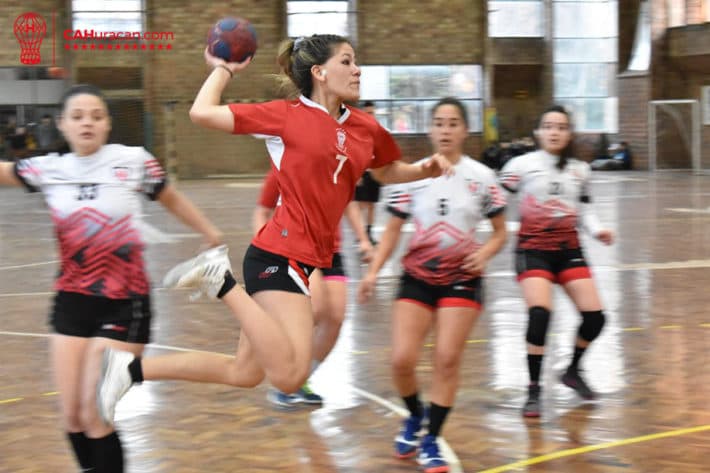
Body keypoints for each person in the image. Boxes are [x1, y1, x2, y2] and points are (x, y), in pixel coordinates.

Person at [95, 34, 453, 428]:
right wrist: (223, 69)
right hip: (279, 256)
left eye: (356, 62)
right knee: (289, 375)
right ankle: (220, 280)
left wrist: (423, 170)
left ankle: (129, 369)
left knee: (244, 373)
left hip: (301, 262)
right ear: (319, 72)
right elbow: (202, 112)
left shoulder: (365, 127)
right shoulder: (285, 115)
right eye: (347, 62)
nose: (357, 69)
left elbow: (385, 170)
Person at [0, 84, 223, 472]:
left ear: (107, 125)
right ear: (63, 125)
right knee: (72, 416)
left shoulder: (132, 161)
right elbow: (4, 172)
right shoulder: (48, 168)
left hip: (126, 301)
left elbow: (169, 196)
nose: (87, 122)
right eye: (78, 116)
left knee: (95, 412)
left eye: (96, 116)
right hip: (71, 301)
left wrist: (208, 230)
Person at [357, 97, 507, 473]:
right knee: (402, 359)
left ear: (464, 130)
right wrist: (374, 271)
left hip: (462, 278)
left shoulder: (482, 177)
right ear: (430, 129)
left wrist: (486, 252)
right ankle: (414, 415)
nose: (445, 129)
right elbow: (391, 232)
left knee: (446, 359)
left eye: (453, 123)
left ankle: (432, 440)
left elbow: (501, 232)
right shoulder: (411, 175)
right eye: (439, 123)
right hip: (418, 277)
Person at [499, 105, 614, 418]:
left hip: (568, 249)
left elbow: (585, 209)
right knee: (540, 314)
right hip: (533, 249)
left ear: (569, 133)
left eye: (561, 127)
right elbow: (493, 197)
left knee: (596, 318)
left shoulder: (580, 169)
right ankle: (533, 389)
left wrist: (598, 230)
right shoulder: (520, 165)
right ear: (538, 132)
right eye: (548, 126)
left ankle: (573, 370)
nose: (554, 132)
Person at [253, 168, 373, 407]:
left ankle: (300, 380)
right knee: (314, 308)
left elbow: (349, 204)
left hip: (330, 252)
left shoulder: (337, 166)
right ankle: (284, 378)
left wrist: (363, 239)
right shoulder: (285, 165)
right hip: (296, 248)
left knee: (336, 318)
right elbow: (261, 211)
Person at [354, 100, 382, 245]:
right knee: (361, 205)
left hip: (375, 172)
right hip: (363, 172)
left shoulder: (378, 129)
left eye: (372, 113)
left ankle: (369, 233)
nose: (370, 115)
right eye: (367, 113)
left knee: (372, 205)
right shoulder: (359, 130)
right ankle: (360, 234)